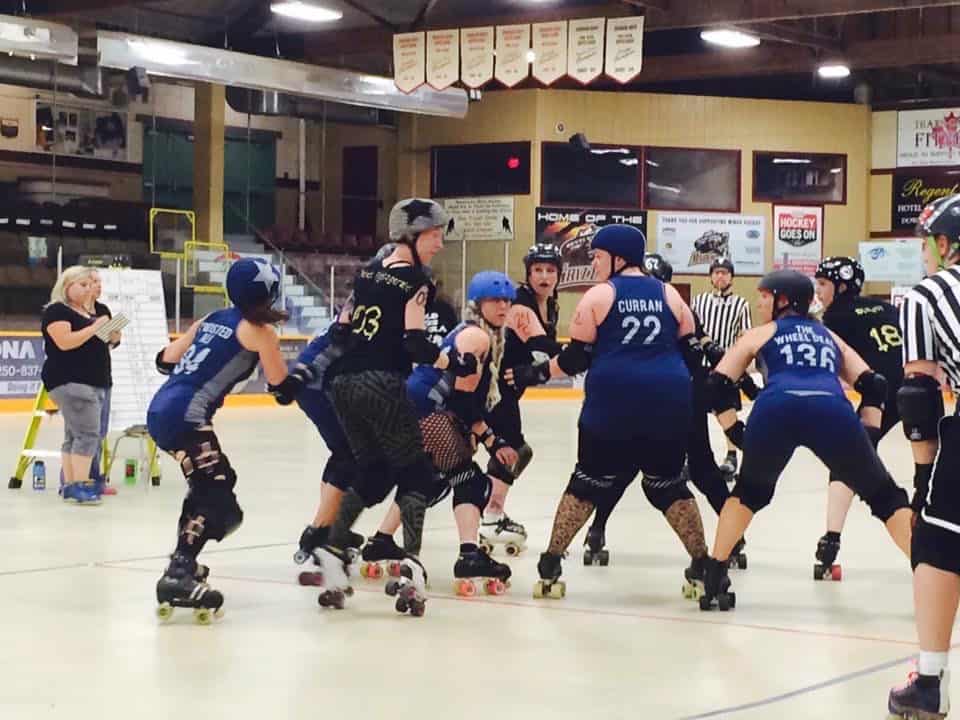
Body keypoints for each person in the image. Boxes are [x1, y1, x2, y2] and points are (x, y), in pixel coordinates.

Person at [511, 225, 709, 600]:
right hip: (669, 401)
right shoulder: (670, 294)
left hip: (611, 401)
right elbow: (691, 352)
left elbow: (574, 359)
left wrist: (532, 373)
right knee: (667, 484)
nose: (595, 264)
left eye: (599, 257)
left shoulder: (600, 295)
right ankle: (702, 564)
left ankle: (551, 563)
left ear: (619, 258)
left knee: (587, 482)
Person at [698, 269, 912, 612]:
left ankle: (714, 576)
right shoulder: (828, 335)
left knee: (748, 494)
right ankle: (932, 571)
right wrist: (867, 435)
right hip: (831, 411)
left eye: (763, 296)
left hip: (775, 410)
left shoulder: (761, 333)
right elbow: (875, 385)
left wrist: (734, 431)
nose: (757, 302)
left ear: (782, 301)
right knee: (886, 496)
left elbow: (717, 383)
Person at [310, 198, 477, 615]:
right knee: (419, 473)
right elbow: (416, 344)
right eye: (434, 235)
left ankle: (330, 548)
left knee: (374, 473)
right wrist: (453, 361)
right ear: (411, 235)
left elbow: (342, 329)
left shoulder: (369, 272)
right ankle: (412, 567)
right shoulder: (417, 279)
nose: (440, 244)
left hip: (342, 384)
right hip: (379, 382)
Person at [581, 253, 754, 570]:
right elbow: (709, 352)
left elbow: (708, 350)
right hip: (682, 396)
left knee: (628, 468)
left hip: (651, 400)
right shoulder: (677, 307)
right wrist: (739, 380)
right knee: (703, 470)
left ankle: (597, 530)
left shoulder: (633, 307)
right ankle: (734, 539)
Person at [148, 257, 296, 623]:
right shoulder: (262, 334)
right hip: (187, 417)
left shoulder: (211, 319)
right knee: (219, 501)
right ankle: (178, 573)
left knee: (216, 488)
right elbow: (281, 389)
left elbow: (165, 361)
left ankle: (184, 561)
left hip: (162, 409)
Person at [363, 271, 523, 596]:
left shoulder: (470, 331)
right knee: (471, 481)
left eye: (507, 300)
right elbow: (463, 402)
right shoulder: (477, 338)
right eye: (495, 300)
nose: (503, 306)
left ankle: (380, 542)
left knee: (429, 481)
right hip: (425, 410)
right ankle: (469, 557)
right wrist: (492, 440)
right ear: (479, 304)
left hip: (410, 408)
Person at [887, 194, 960, 719]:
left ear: (943, 243)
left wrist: (922, 475)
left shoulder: (927, 294)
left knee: (936, 543)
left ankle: (929, 682)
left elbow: (918, 392)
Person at [812, 256, 904, 580]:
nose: (818, 291)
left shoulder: (835, 315)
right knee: (929, 472)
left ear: (841, 286)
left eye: (823, 284)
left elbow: (838, 368)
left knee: (848, 463)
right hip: (918, 391)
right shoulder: (886, 307)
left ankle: (830, 542)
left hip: (879, 397)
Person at [479, 242, 563, 553]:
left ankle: (488, 511)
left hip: (504, 391)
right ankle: (491, 514)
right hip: (492, 389)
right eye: (537, 270)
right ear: (528, 274)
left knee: (512, 452)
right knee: (514, 451)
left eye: (550, 270)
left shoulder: (550, 305)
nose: (544, 276)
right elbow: (545, 348)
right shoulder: (522, 302)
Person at [41, 266, 111, 505]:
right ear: (66, 285)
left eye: (89, 285)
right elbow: (65, 342)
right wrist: (93, 328)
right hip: (71, 380)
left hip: (93, 380)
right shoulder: (57, 311)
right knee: (88, 434)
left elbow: (108, 341)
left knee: (75, 434)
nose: (89, 288)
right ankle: (80, 484)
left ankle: (72, 485)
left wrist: (111, 331)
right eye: (82, 284)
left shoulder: (94, 311)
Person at [691, 257, 752, 479]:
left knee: (728, 414)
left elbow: (744, 337)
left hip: (726, 368)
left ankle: (731, 456)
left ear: (732, 277)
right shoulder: (699, 301)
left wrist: (740, 368)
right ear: (710, 276)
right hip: (700, 366)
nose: (720, 276)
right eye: (716, 272)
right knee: (694, 414)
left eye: (725, 273)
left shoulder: (741, 304)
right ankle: (696, 458)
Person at [86, 269, 121, 496]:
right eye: (94, 282)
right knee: (82, 433)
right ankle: (77, 479)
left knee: (99, 432)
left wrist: (115, 335)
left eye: (100, 282)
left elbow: (110, 341)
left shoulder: (103, 310)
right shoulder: (72, 312)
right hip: (81, 380)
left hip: (103, 377)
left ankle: (95, 478)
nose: (99, 286)